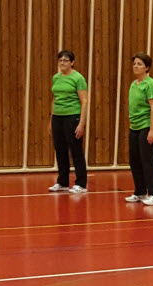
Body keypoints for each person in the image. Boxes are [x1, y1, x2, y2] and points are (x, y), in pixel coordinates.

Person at [125, 53, 153, 206]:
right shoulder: (134, 84)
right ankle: (140, 191)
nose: (136, 66)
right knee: (135, 160)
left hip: (148, 126)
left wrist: (152, 130)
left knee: (148, 160)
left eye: (140, 64)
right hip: (135, 126)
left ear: (147, 67)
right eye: (134, 64)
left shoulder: (150, 84)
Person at [49, 50, 90, 194]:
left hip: (72, 116)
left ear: (72, 62)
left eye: (65, 60)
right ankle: (62, 182)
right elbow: (55, 98)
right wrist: (51, 119)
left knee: (75, 150)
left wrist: (81, 124)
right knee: (60, 150)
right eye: (60, 60)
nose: (62, 63)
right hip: (58, 117)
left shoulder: (78, 78)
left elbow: (84, 101)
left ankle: (81, 183)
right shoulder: (56, 78)